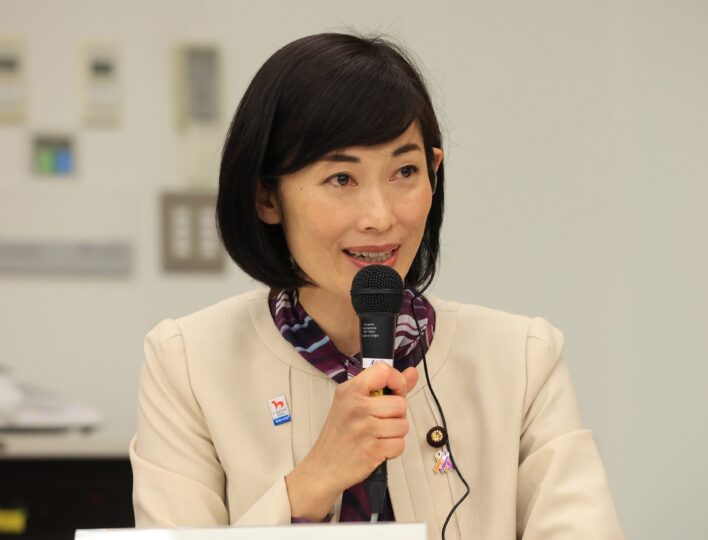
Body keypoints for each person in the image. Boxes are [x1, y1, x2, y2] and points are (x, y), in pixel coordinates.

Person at [129, 32, 625, 539]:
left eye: (404, 171)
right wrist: (312, 482)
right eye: (342, 179)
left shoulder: (522, 359)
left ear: (434, 173)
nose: (381, 216)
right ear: (267, 198)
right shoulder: (187, 362)